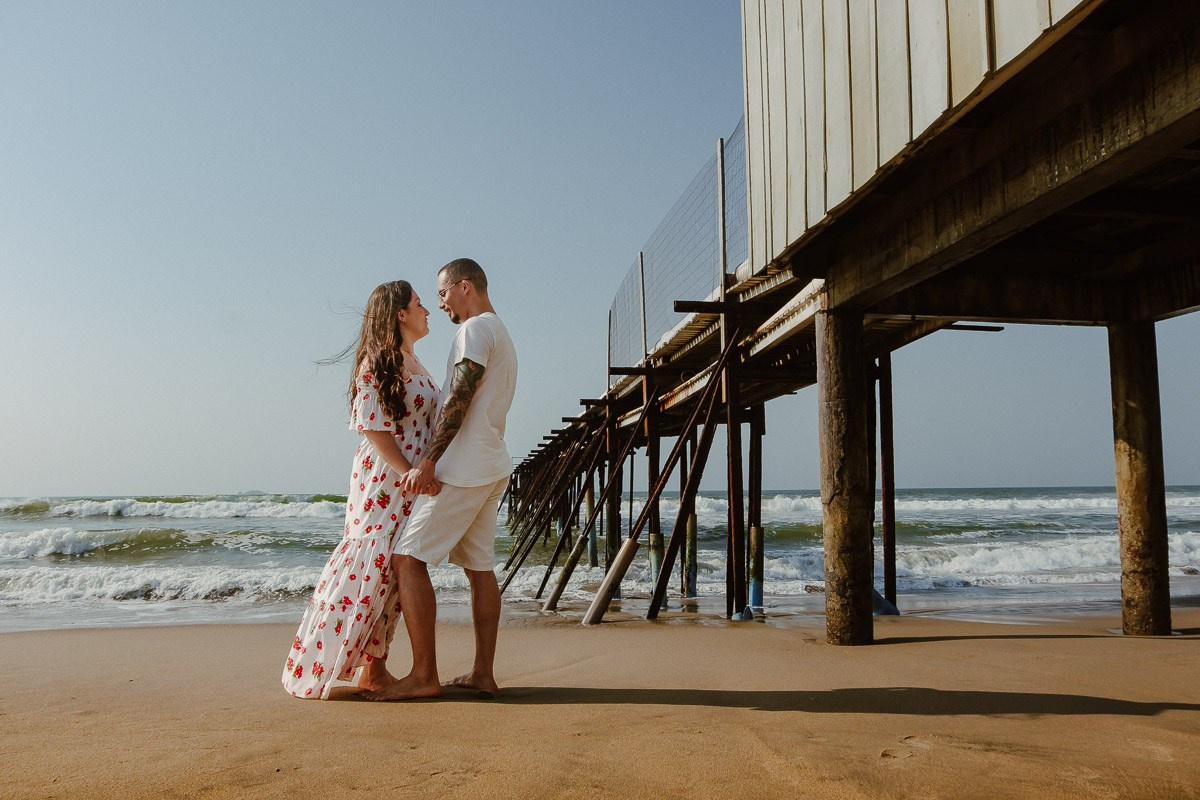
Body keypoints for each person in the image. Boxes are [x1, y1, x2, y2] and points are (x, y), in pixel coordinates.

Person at [365, 257, 517, 701]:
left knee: (407, 558)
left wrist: (429, 462)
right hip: (491, 465)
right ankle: (482, 674)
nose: (440, 304)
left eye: (443, 293)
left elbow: (460, 398)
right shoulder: (501, 331)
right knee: (479, 569)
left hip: (464, 466)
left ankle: (423, 675)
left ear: (464, 286)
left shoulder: (472, 330)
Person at [283, 280, 441, 699]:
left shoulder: (416, 360)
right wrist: (410, 471)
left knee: (390, 572)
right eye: (420, 304)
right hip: (385, 480)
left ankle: (375, 670)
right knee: (371, 566)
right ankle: (349, 665)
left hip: (409, 480)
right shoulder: (380, 360)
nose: (429, 311)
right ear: (400, 313)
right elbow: (372, 425)